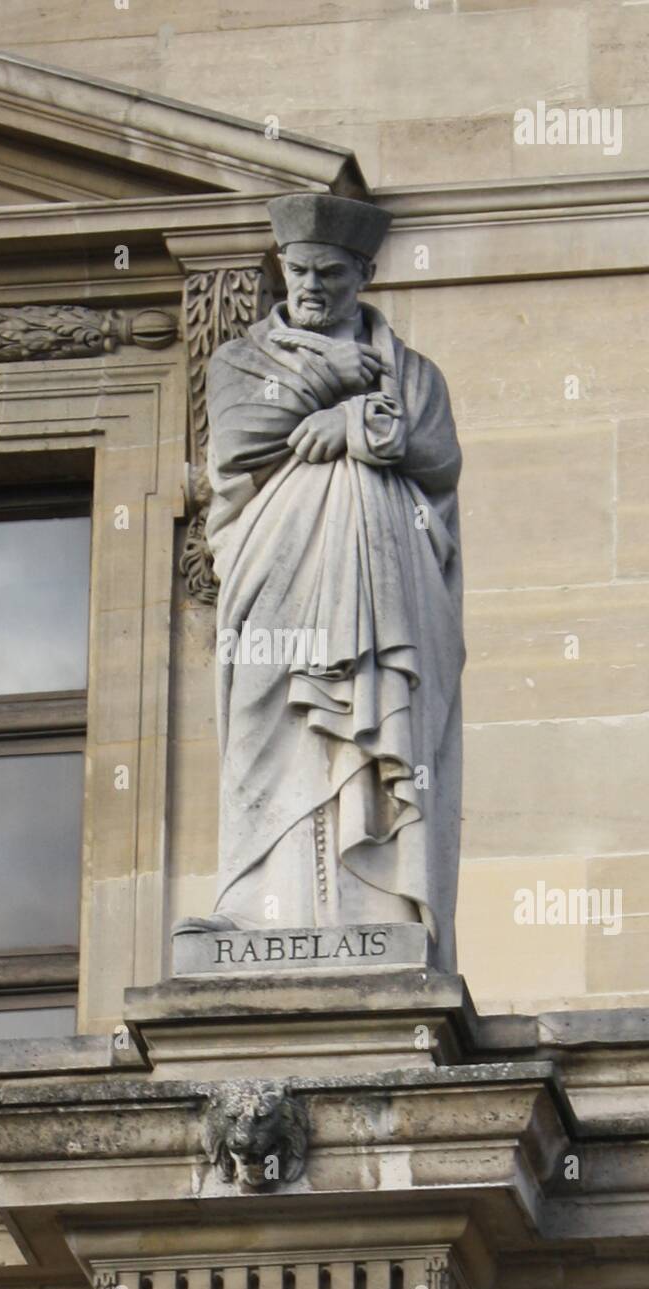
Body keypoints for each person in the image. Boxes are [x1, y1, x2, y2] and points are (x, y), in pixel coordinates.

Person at [194, 193, 465, 972]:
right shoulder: (243, 360)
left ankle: (373, 904)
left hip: (384, 587)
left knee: (373, 728)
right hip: (273, 581)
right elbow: (241, 433)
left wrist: (354, 426)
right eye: (299, 271)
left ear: (364, 275)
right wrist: (330, 382)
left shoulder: (414, 374)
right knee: (269, 729)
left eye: (332, 275)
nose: (311, 287)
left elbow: (439, 456)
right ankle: (252, 906)